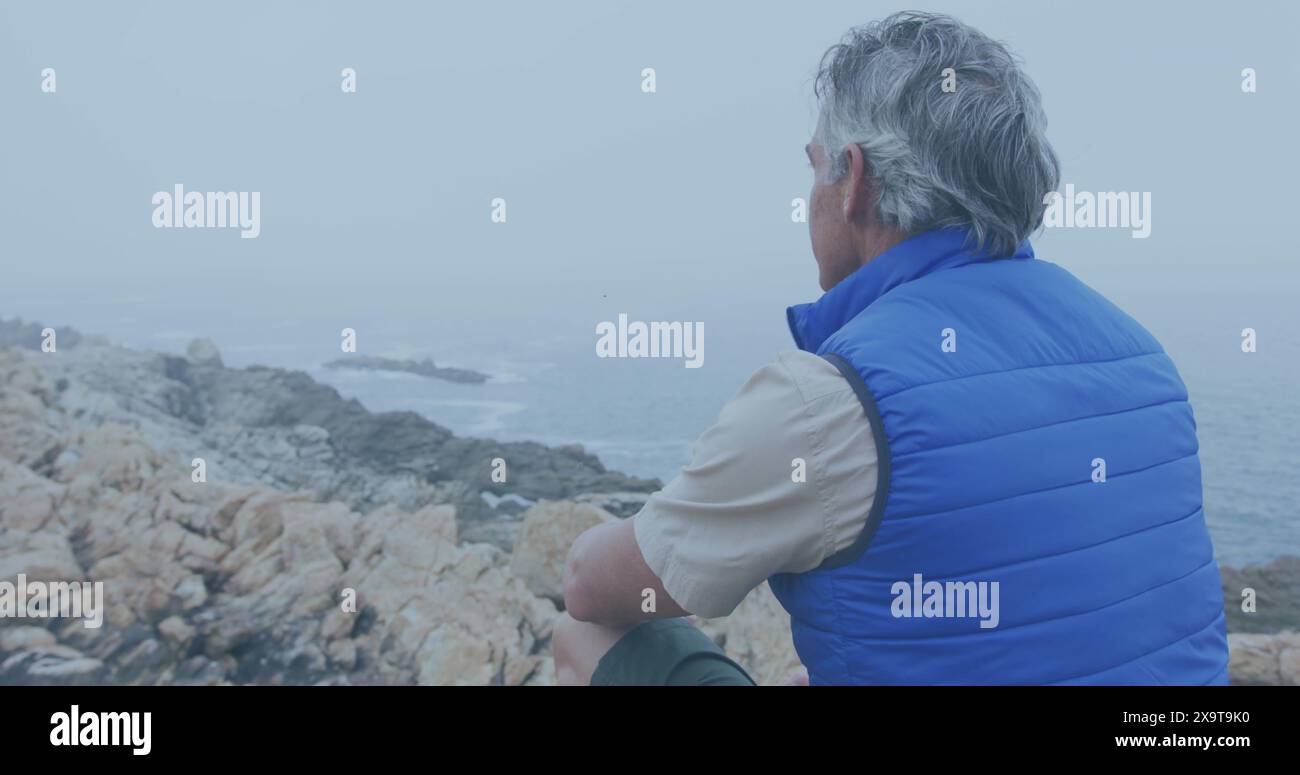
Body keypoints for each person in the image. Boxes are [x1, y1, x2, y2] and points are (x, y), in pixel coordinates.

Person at [555, 11, 1229, 686]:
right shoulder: (1144, 358)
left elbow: (592, 585)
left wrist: (580, 542)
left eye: (815, 168)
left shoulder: (833, 399)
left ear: (854, 181)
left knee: (584, 630)